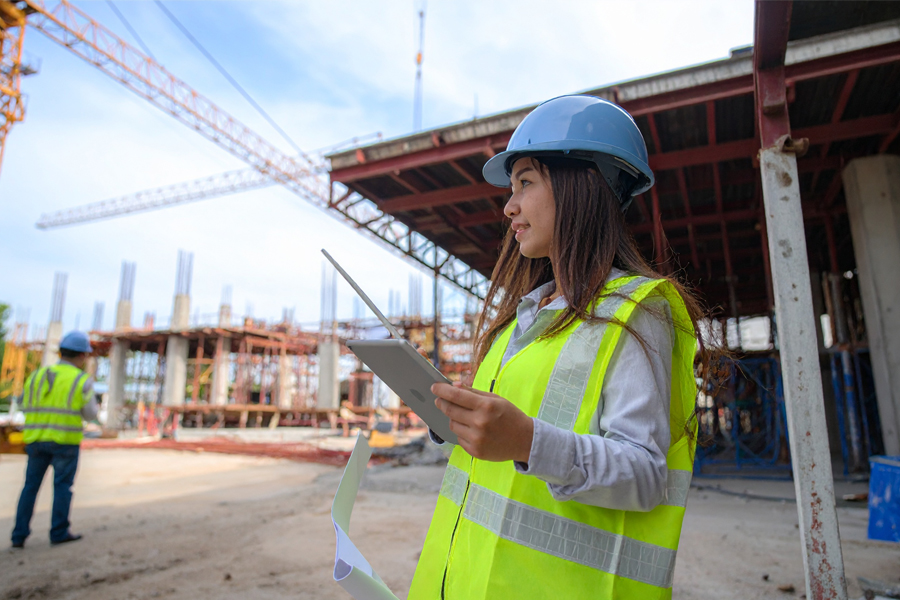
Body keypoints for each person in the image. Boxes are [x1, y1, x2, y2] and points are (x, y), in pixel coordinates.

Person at [409, 95, 708, 599]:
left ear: (583, 186)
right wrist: (456, 418)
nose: (509, 206)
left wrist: (527, 442)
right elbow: (501, 444)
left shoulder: (636, 311)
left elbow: (644, 474)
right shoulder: (518, 320)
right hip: (465, 581)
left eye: (525, 182)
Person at [11, 330, 98, 549]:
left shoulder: (37, 375)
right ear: (82, 356)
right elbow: (91, 414)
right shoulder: (81, 380)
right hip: (65, 442)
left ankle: (18, 535)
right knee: (62, 487)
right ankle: (58, 532)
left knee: (30, 487)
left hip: (35, 439)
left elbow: (22, 403)